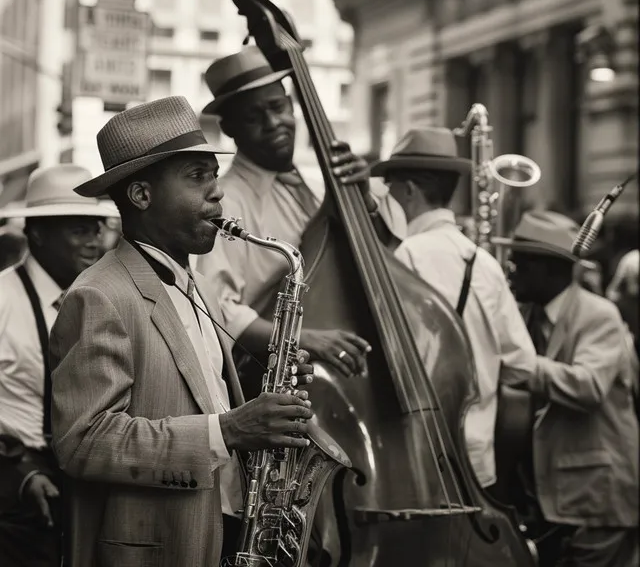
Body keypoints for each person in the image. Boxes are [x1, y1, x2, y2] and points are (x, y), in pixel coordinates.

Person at [49, 96, 316, 567]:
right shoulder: (98, 295)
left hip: (228, 531)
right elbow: (83, 442)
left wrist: (272, 393)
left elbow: (199, 394)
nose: (218, 193)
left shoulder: (200, 285)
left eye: (214, 175)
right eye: (197, 177)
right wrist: (228, 430)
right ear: (141, 195)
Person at [197, 46, 406, 381]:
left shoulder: (319, 189)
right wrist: (302, 338)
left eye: (278, 107)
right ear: (230, 129)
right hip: (274, 375)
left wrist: (361, 199)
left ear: (292, 106)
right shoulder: (226, 201)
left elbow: (383, 256)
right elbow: (219, 309)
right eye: (253, 117)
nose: (273, 123)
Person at [370, 127, 537, 491]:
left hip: (425, 454)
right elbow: (522, 365)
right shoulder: (485, 262)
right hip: (477, 455)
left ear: (409, 190)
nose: (387, 198)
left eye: (391, 188)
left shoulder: (407, 256)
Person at [0, 164, 119, 567]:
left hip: (86, 489)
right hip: (15, 489)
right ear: (37, 233)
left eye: (97, 228)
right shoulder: (1, 299)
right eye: (79, 230)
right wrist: (18, 475)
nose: (95, 243)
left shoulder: (99, 301)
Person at [504, 210, 639, 567]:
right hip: (552, 501)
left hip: (595, 500)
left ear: (550, 270)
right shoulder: (525, 314)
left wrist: (520, 365)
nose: (509, 272)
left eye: (519, 265)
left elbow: (588, 387)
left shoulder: (599, 315)